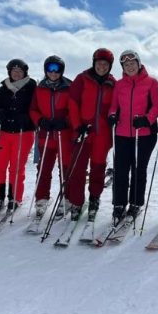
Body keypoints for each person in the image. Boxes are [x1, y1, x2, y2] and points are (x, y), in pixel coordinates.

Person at [108, 50, 158, 225]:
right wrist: (112, 115)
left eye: (132, 63)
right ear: (122, 67)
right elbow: (113, 105)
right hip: (122, 133)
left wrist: (147, 119)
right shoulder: (119, 85)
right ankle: (119, 203)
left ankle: (136, 203)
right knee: (120, 170)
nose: (130, 66)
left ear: (139, 64)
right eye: (126, 64)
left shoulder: (151, 82)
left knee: (139, 170)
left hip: (144, 134)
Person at [67, 48, 117, 222]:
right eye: (99, 63)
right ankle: (76, 202)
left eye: (105, 64)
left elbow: (116, 105)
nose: (102, 67)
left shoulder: (113, 83)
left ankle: (94, 198)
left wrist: (114, 116)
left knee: (98, 168)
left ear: (110, 66)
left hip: (102, 134)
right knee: (78, 168)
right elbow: (73, 102)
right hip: (83, 131)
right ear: (94, 63)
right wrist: (77, 125)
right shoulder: (82, 79)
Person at [0, 59, 37, 215]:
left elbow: (37, 109)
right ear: (9, 72)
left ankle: (14, 197)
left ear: (24, 73)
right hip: (4, 131)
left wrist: (28, 118)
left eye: (20, 71)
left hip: (24, 132)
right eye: (14, 71)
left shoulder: (31, 88)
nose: (16, 73)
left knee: (17, 167)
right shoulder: (4, 88)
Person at [29, 55, 73, 220]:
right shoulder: (40, 88)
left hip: (63, 134)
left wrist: (66, 121)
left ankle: (66, 197)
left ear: (62, 71)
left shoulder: (69, 87)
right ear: (46, 70)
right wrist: (40, 120)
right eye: (50, 68)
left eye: (57, 69)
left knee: (65, 168)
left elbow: (74, 108)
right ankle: (42, 198)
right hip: (46, 134)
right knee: (44, 168)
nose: (53, 72)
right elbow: (33, 109)